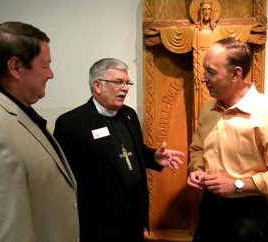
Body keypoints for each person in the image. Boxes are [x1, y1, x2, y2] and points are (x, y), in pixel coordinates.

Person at [53, 58, 185, 242]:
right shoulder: (71, 123)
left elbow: (131, 153)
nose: (125, 87)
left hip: (134, 222)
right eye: (118, 82)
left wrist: (154, 156)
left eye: (127, 82)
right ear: (97, 85)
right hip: (99, 226)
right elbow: (62, 179)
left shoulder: (129, 114)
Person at [0, 21, 79, 242]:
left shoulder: (17, 113)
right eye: (45, 65)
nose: (51, 74)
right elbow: (2, 234)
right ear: (15, 67)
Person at [187, 37, 268, 242]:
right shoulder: (208, 110)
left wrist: (237, 184)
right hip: (209, 211)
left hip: (250, 219)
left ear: (236, 73)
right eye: (204, 70)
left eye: (211, 72)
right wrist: (198, 170)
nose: (203, 78)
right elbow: (197, 149)